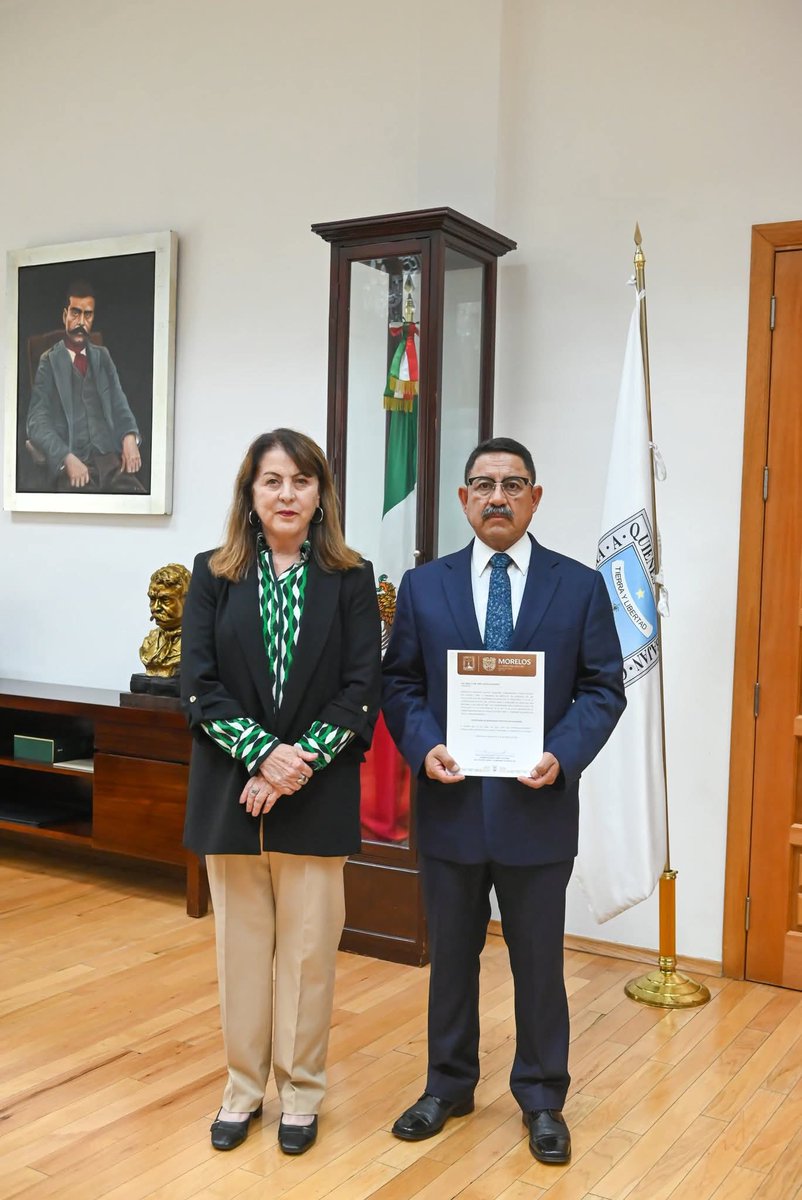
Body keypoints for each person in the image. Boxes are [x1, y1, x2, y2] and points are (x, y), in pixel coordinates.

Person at [382, 436, 626, 1165]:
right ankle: (449, 1085)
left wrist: (563, 753)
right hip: (452, 807)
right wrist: (423, 745)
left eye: (513, 484)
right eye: (482, 484)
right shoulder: (424, 586)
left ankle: (543, 1097)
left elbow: (603, 688)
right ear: (462, 499)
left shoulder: (578, 586)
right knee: (452, 959)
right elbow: (400, 685)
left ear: (535, 497)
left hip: (537, 810)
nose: (497, 497)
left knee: (539, 966)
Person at [181, 428, 381, 1156]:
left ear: (321, 494)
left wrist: (299, 764)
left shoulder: (351, 579)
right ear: (251, 494)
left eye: (302, 481)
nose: (288, 493)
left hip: (317, 798)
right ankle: (242, 1090)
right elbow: (197, 687)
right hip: (231, 796)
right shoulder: (212, 573)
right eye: (273, 481)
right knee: (240, 955)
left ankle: (300, 1093)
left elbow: (364, 687)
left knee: (306, 957)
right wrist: (265, 757)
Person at [26, 279, 146, 493]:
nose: (81, 321)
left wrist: (129, 435)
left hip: (111, 464)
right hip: (74, 468)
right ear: (65, 316)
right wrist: (65, 457)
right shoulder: (49, 362)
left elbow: (120, 404)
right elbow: (36, 422)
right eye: (75, 313)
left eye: (87, 314)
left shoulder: (103, 357)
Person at [138, 562, 192, 676]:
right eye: (152, 599)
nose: (155, 608)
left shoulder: (198, 643)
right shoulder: (149, 643)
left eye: (165, 600)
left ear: (187, 600)